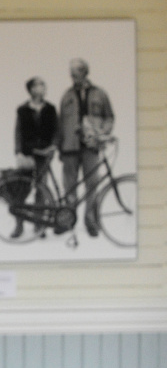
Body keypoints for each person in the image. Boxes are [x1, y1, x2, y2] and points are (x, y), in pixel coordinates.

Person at [56, 58, 114, 237]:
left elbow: (109, 117)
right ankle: (67, 221)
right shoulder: (66, 95)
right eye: (71, 72)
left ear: (85, 72)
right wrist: (60, 148)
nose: (72, 76)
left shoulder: (99, 94)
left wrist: (101, 133)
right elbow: (60, 124)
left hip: (91, 148)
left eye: (76, 72)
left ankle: (91, 221)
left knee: (92, 185)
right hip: (69, 149)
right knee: (69, 187)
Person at [10, 76, 59, 239]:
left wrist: (53, 146)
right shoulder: (22, 109)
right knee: (21, 191)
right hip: (27, 155)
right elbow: (18, 133)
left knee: (41, 191)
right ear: (31, 89)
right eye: (40, 86)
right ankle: (19, 226)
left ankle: (39, 226)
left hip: (43, 155)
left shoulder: (50, 108)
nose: (44, 88)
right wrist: (18, 153)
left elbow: (56, 131)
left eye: (44, 85)